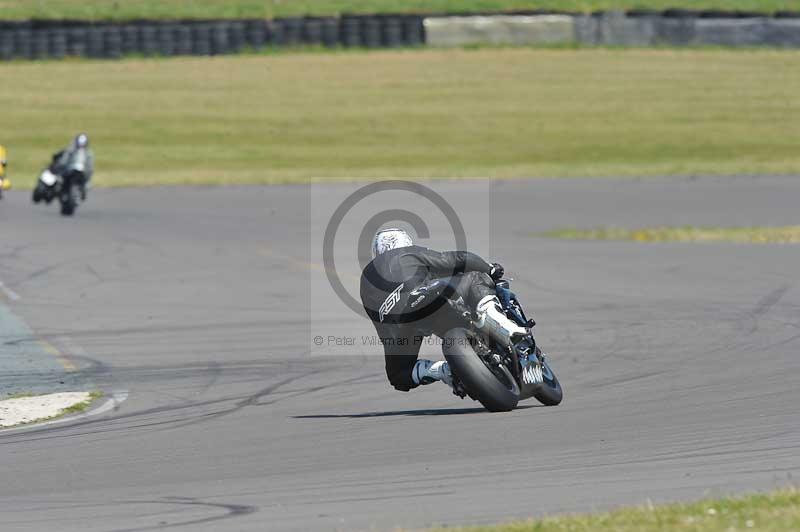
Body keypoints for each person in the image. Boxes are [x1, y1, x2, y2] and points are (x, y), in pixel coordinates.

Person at [359, 228, 530, 392]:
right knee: (475, 277)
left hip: (402, 324)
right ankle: (504, 326)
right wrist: (489, 269)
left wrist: (396, 347)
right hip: (426, 298)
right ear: (404, 242)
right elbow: (457, 259)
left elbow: (380, 323)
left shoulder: (365, 282)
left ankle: (444, 371)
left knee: (398, 375)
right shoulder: (405, 252)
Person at [52, 133, 94, 200]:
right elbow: (64, 160)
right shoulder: (72, 150)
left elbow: (90, 167)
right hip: (70, 171)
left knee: (85, 184)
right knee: (61, 180)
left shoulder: (88, 153)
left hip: (80, 174)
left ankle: (80, 192)